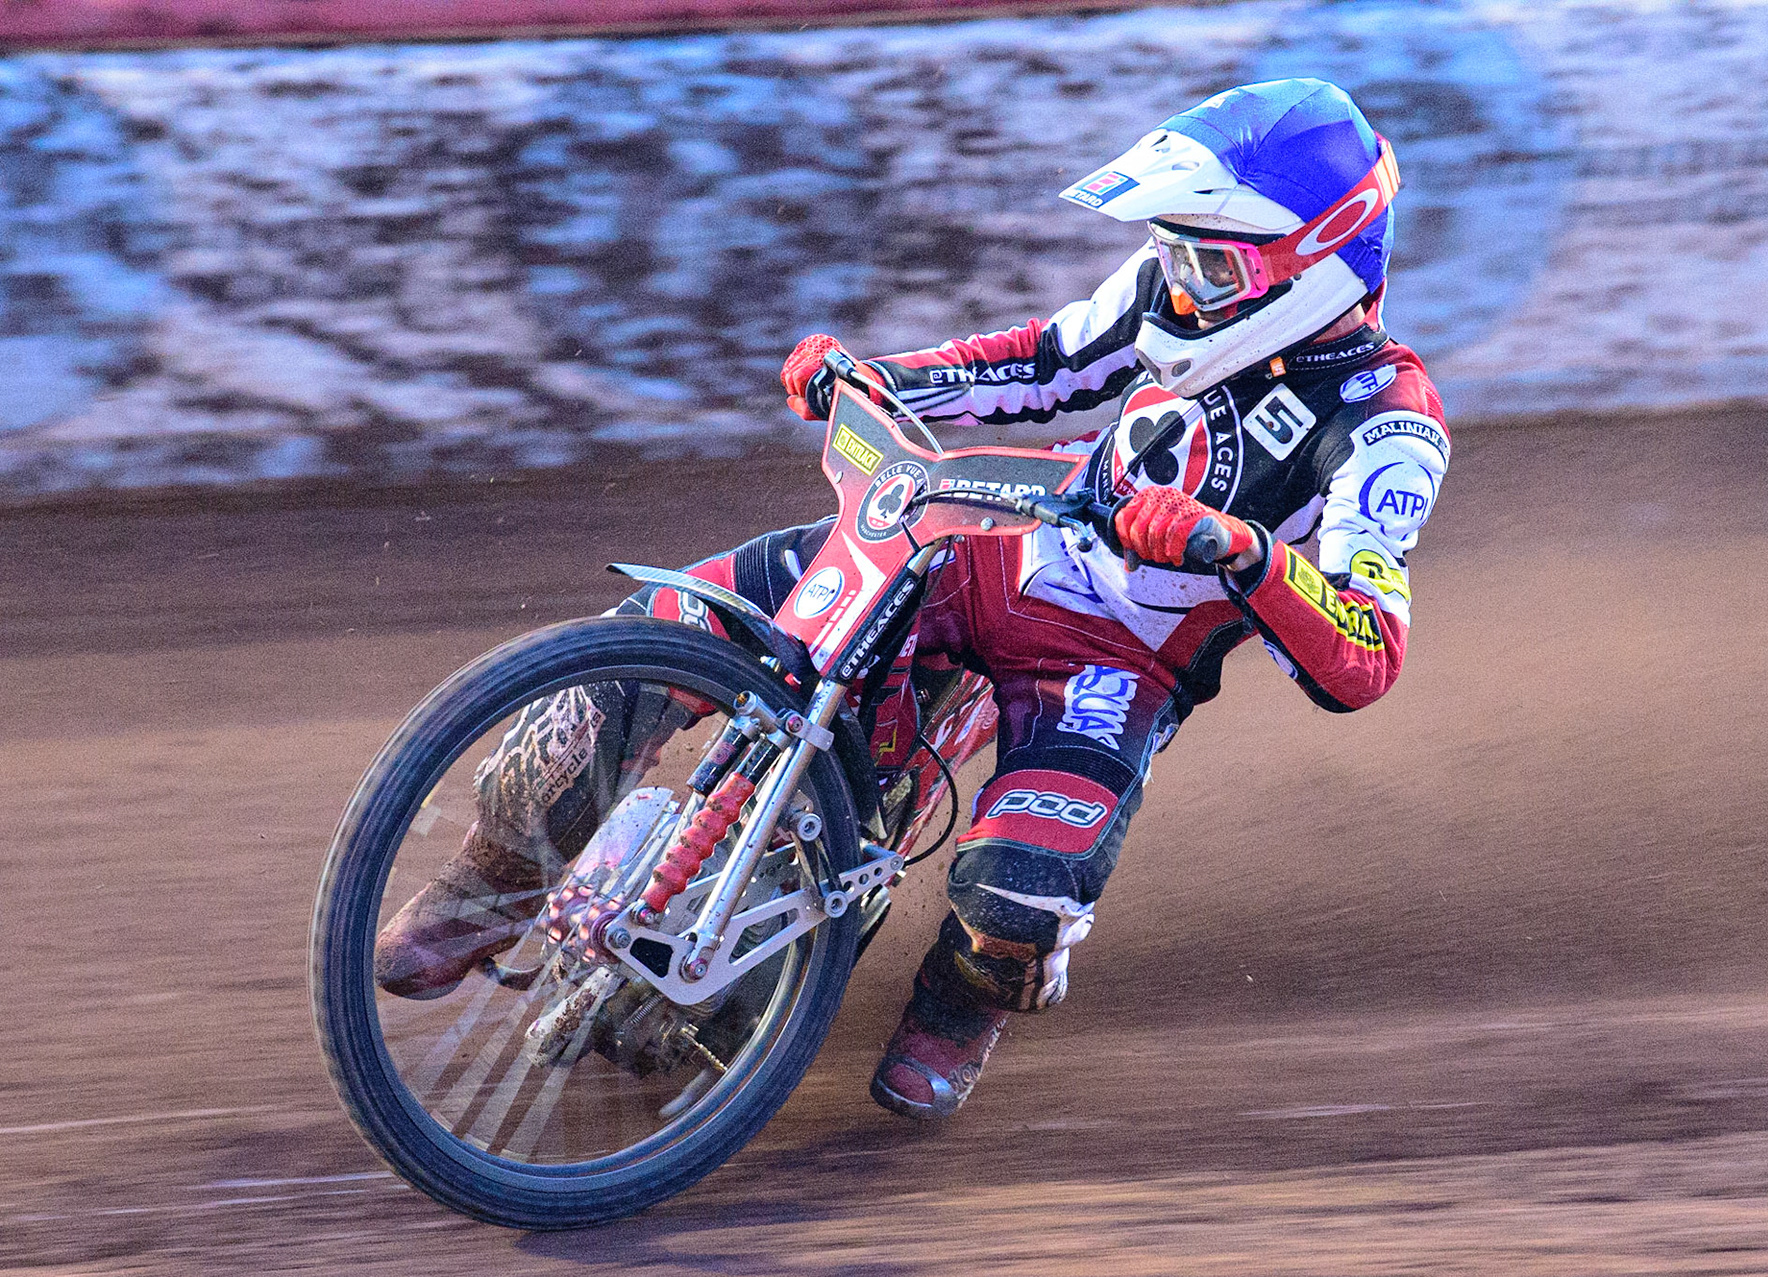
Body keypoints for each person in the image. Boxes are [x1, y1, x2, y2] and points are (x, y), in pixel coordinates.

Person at [374, 78, 1448, 1122]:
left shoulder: (1387, 423)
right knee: (636, 654)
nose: (1174, 279)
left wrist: (1241, 550)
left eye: (1205, 259)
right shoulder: (1173, 291)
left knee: (1017, 903)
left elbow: (1367, 652)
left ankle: (956, 1009)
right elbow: (1046, 360)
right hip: (980, 537)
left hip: (1115, 661)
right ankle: (490, 882)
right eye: (1170, 247)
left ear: (1314, 267)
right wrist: (875, 377)